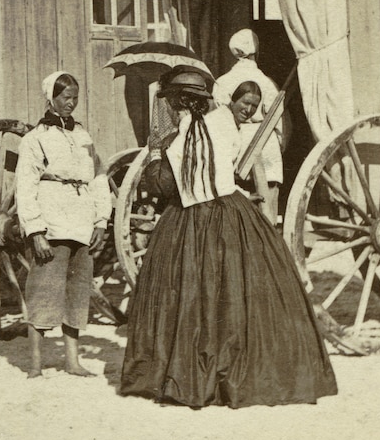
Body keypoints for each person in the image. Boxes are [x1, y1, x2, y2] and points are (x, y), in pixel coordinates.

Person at [120, 64, 337, 408]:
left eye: (174, 102)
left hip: (192, 215)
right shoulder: (218, 125)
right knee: (227, 291)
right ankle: (219, 370)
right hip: (226, 210)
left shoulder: (179, 136)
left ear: (178, 102)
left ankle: (193, 371)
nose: (173, 107)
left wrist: (158, 154)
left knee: (194, 293)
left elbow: (165, 185)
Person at [15, 71, 110, 378]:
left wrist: (101, 220)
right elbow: (25, 186)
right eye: (65, 97)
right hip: (52, 220)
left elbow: (98, 178)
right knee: (43, 290)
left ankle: (72, 360)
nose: (71, 103)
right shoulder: (35, 139)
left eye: (75, 98)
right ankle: (35, 363)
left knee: (77, 291)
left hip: (81, 219)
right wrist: (36, 231)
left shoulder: (83, 137)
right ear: (51, 98)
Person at [212, 29, 284, 219]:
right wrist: (279, 143)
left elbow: (220, 116)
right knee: (267, 204)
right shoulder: (268, 83)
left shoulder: (222, 82)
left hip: (235, 140)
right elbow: (280, 121)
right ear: (256, 51)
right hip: (265, 140)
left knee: (238, 201)